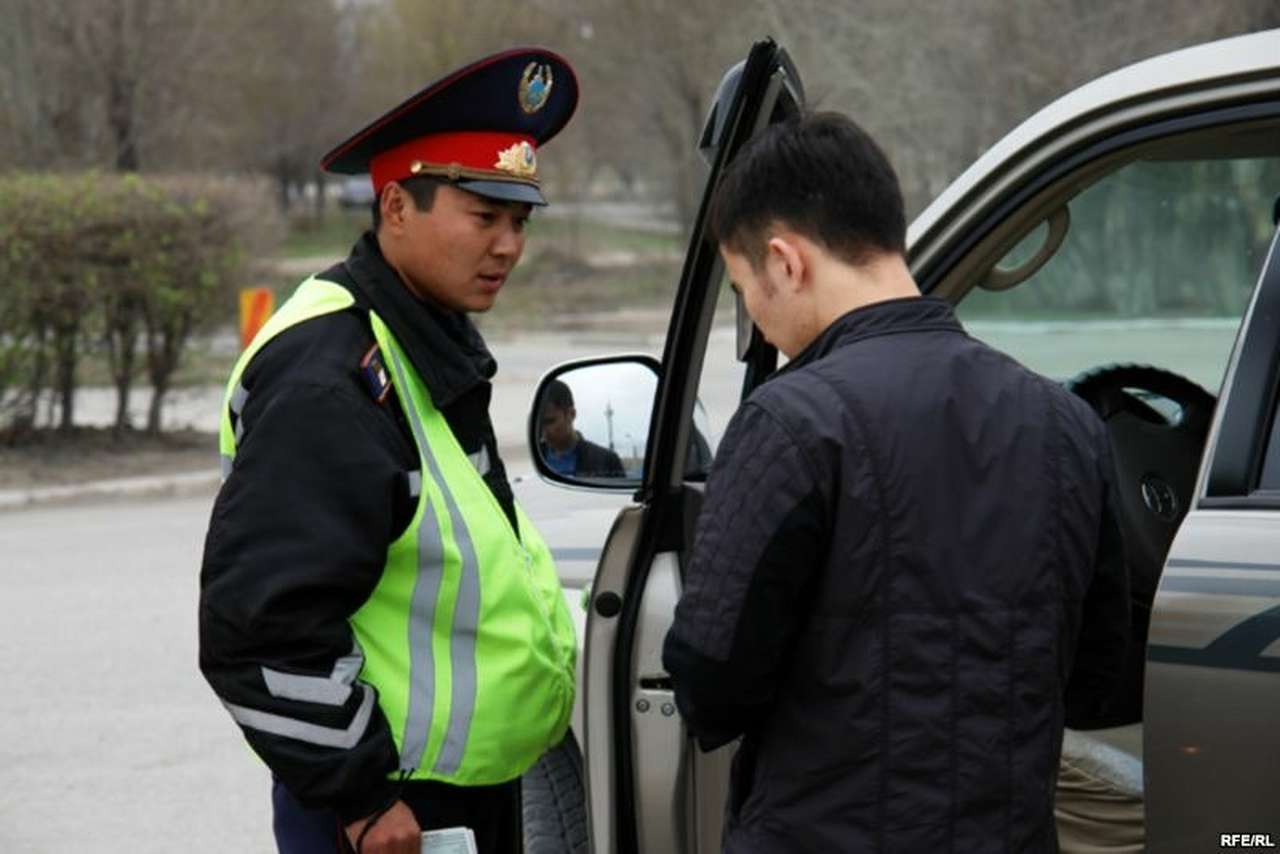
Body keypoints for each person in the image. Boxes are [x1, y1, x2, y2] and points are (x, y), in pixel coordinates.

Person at [662, 112, 1130, 852]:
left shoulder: (792, 421)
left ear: (785, 262)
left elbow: (712, 683)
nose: (751, 316)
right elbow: (1103, 678)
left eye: (742, 287)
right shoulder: (1066, 421)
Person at [199, 49, 580, 854]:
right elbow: (260, 625)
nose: (509, 246)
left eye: (520, 221)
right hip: (386, 812)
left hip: (452, 793)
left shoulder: (417, 336)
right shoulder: (328, 376)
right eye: (484, 217)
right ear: (398, 206)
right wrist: (361, 798)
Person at [538, 378, 626, 478]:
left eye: (550, 421)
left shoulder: (606, 461)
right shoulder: (531, 460)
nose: (544, 431)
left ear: (571, 414)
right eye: (540, 424)